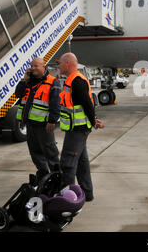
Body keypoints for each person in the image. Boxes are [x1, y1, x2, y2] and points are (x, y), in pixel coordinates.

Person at [58, 53, 104, 202]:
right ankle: (87, 194)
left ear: (68, 63)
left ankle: (68, 199)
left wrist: (93, 120)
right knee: (82, 163)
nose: (58, 66)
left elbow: (88, 104)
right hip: (76, 128)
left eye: (60, 63)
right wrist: (93, 120)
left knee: (68, 163)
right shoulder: (71, 80)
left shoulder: (77, 81)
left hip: (78, 130)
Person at [15, 58, 61, 181]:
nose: (33, 68)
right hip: (30, 125)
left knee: (51, 153)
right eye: (31, 66)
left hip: (44, 126)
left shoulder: (53, 82)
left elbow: (56, 103)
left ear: (43, 66)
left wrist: (52, 121)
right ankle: (44, 176)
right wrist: (24, 80)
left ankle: (58, 178)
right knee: (35, 153)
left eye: (36, 66)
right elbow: (18, 94)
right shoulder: (29, 82)